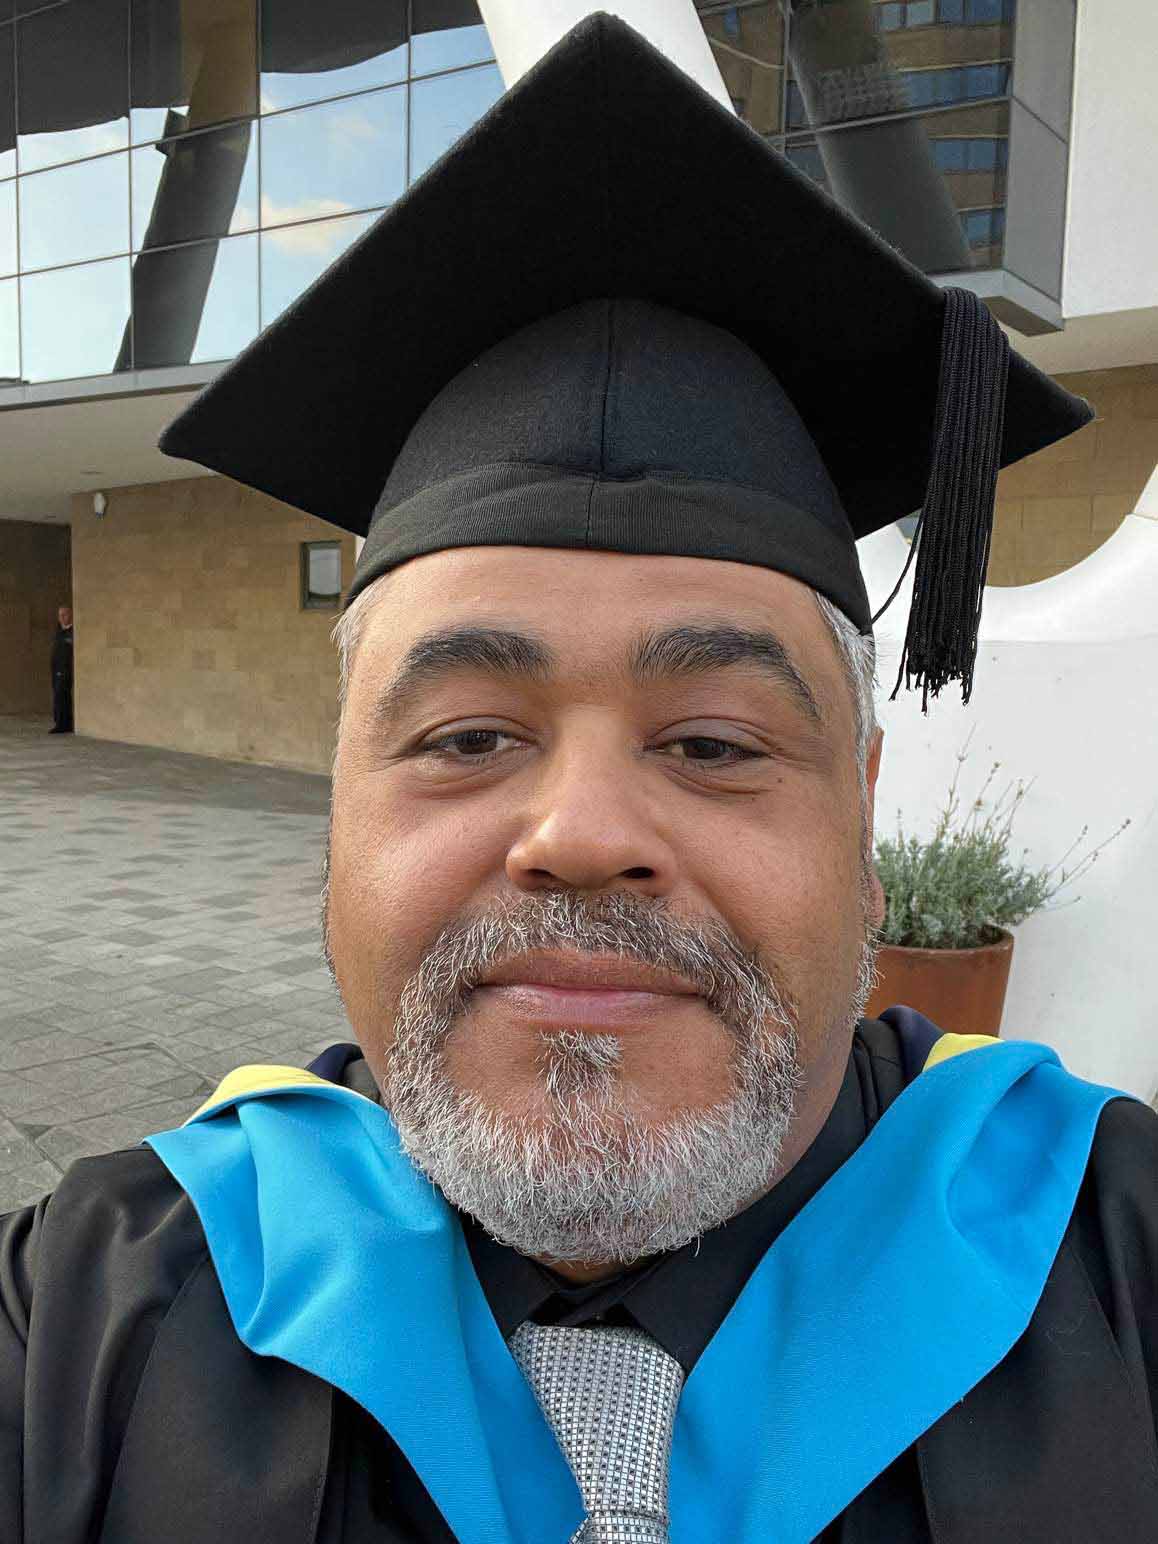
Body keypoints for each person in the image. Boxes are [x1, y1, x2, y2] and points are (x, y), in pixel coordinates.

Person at [3, 16, 1156, 1543]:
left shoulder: (1120, 1256)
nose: (584, 834)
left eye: (713, 744)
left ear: (864, 826)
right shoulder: (88, 1311)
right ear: (335, 827)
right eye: (468, 737)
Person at [48, 604, 73, 734]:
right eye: (60, 615)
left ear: (71, 615)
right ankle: (60, 722)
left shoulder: (72, 632)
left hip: (66, 670)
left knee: (62, 696)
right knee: (57, 695)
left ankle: (63, 724)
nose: (62, 617)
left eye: (65, 614)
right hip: (56, 669)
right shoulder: (59, 632)